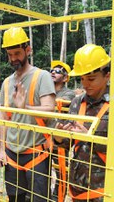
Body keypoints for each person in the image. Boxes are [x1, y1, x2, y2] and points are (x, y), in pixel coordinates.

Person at [0, 27, 56, 202]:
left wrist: (25, 108)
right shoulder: (7, 83)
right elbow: (3, 118)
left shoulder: (42, 76)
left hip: (36, 152)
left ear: (28, 50)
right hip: (12, 153)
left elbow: (49, 108)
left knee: (39, 199)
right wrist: (1, 150)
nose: (13, 58)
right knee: (15, 198)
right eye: (10, 54)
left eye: (17, 53)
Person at [55, 44, 111, 201]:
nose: (85, 84)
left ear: (107, 75)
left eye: (91, 79)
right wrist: (60, 139)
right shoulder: (77, 102)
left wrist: (90, 138)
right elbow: (70, 142)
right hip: (78, 186)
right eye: (82, 79)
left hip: (105, 188)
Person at [50, 60, 75, 201]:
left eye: (58, 71)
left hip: (60, 140)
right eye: (52, 70)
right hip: (44, 137)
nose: (53, 72)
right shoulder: (47, 91)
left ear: (65, 78)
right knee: (43, 170)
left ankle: (57, 198)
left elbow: (62, 101)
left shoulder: (69, 93)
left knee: (61, 172)